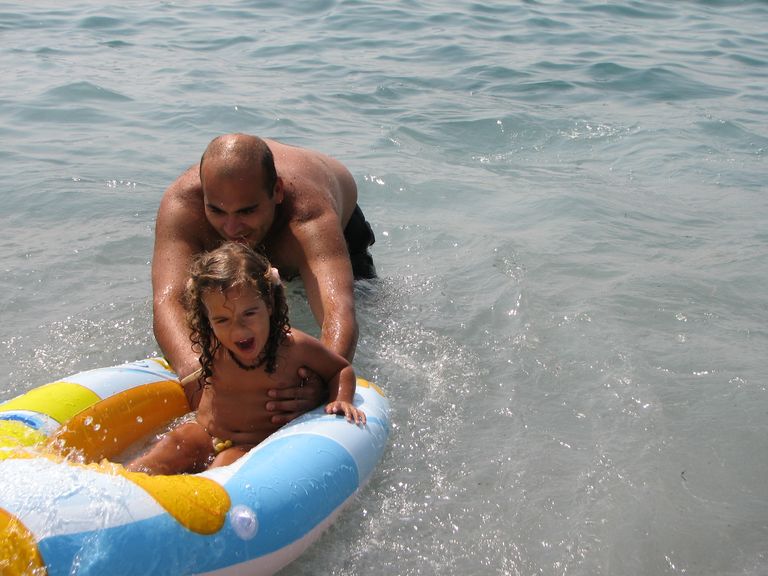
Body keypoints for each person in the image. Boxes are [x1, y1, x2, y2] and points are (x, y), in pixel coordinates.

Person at [152, 133, 376, 423]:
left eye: (247, 211)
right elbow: (168, 301)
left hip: (337, 226)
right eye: (216, 210)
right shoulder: (183, 205)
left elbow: (338, 309)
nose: (231, 228)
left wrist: (318, 382)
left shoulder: (308, 214)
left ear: (277, 191)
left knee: (365, 308)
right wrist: (199, 378)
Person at [129, 243, 365, 475]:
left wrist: (340, 399)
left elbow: (340, 370)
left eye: (249, 313)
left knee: (223, 467)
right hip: (204, 432)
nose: (238, 329)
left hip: (251, 443)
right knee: (171, 446)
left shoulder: (293, 347)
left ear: (269, 304)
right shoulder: (213, 342)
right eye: (222, 320)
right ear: (207, 318)